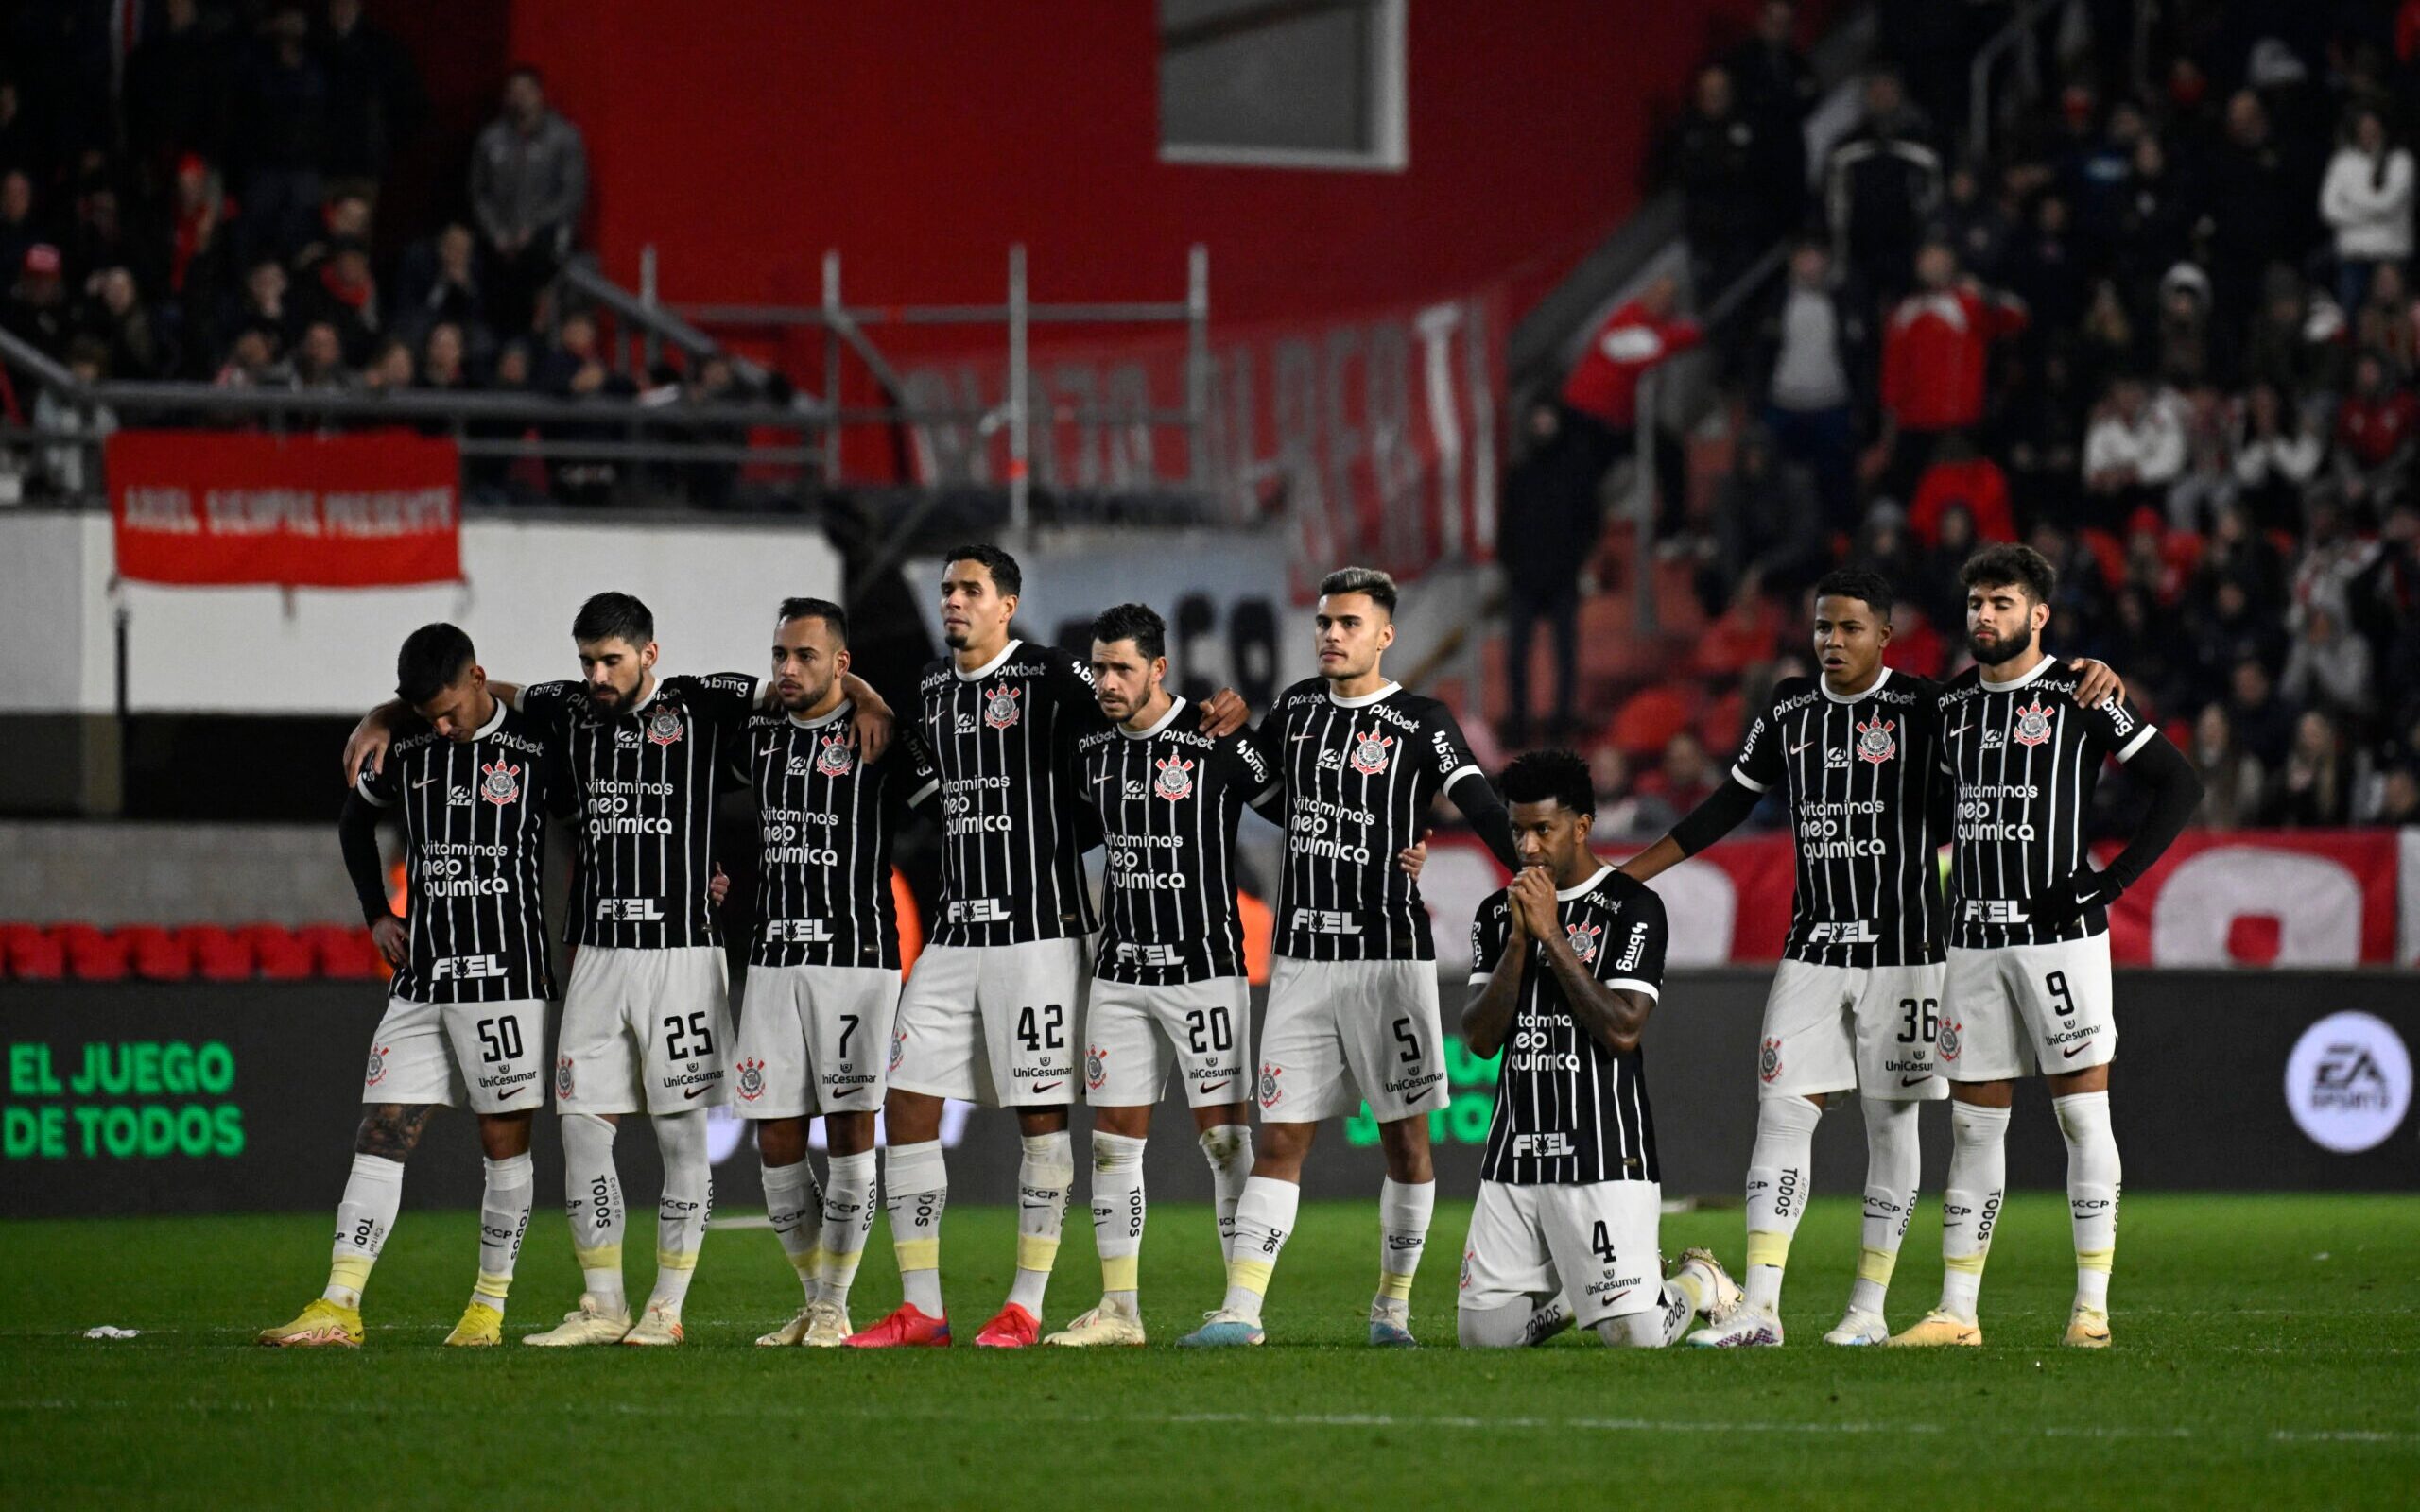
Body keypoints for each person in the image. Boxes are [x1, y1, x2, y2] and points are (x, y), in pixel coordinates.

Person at [341, 594, 887, 1346]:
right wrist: (382, 716)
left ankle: (667, 1308)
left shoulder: (704, 703)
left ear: (649, 655)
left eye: (611, 661)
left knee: (678, 1136)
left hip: (682, 955)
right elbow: (477, 693)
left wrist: (867, 693)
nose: (597, 675)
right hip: (595, 951)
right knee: (583, 1130)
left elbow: (804, 686)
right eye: (587, 662)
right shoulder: (568, 710)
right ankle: (603, 1304)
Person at [1624, 570, 2123, 1347]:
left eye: (1850, 628)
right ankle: (1760, 1309)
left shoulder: (1927, 707)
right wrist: (1624, 878)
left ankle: (1867, 1309)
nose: (1832, 641)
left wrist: (2086, 672)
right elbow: (1728, 804)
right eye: (1823, 626)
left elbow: (2007, 719)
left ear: (1884, 636)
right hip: (1813, 948)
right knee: (1783, 1113)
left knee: (1893, 1127)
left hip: (1909, 954)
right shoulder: (1790, 708)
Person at [851, 547, 1244, 1349]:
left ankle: (1027, 1303)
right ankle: (921, 1307)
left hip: (1041, 933)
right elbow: (921, 772)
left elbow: (1135, 714)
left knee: (1043, 1118)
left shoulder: (1054, 676)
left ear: (1007, 604)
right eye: (947, 589)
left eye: (969, 590)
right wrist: (860, 692)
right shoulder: (929, 685)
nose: (952, 601)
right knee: (906, 1101)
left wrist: (1211, 713)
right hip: (955, 930)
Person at [1051, 604, 1421, 1346]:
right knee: (1113, 1143)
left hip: (1207, 968)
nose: (1107, 682)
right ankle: (1120, 1310)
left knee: (1225, 1141)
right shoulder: (1091, 747)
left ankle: (1237, 1307)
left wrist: (1398, 848)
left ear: (1159, 668)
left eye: (1123, 667)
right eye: (1099, 667)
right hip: (1119, 968)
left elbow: (1306, 811)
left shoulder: (1214, 736)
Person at [1181, 566, 1518, 1349]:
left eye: (1350, 624)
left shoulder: (1421, 721)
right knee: (1282, 1139)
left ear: (1385, 635)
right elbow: (1262, 796)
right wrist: (1230, 735)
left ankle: (1392, 1307)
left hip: (1388, 960)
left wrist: (1540, 881)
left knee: (1406, 1139)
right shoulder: (1296, 708)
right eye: (1325, 622)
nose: (1331, 635)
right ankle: (1241, 1310)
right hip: (1300, 958)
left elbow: (1481, 805)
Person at [1893, 544, 2201, 1349]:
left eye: (2002, 603)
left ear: (2039, 616)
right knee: (1971, 1129)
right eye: (1976, 604)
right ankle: (1957, 1314)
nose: (1984, 617)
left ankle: (2090, 1312)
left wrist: (2111, 884)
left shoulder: (2081, 692)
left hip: (2060, 938)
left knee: (2080, 1117)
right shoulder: (1950, 705)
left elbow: (2180, 784)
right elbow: (1923, 811)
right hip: (1974, 942)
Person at [261, 625, 563, 1348]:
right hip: (423, 973)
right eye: (425, 714)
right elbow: (352, 822)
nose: (443, 725)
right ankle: (339, 1304)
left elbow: (598, 822)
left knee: (503, 1144)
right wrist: (375, 913)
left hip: (507, 975)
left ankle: (487, 1308)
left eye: (450, 709)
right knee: (383, 1130)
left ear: (479, 677)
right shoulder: (409, 749)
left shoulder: (538, 747)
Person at [1456, 748, 1742, 1350]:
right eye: (1517, 830)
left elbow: (1621, 1029)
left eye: (1543, 830)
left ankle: (1695, 1283)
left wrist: (1552, 935)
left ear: (1582, 827)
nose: (1528, 847)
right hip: (1514, 1155)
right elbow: (1481, 1040)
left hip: (1603, 1153)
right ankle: (1573, 1298)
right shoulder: (1495, 913)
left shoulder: (1632, 907)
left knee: (1634, 1339)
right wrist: (1517, 941)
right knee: (1485, 1339)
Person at [734, 599, 937, 1349]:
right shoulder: (755, 730)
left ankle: (834, 1304)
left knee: (851, 1130)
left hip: (855, 961)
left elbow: (943, 811)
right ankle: (815, 1298)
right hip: (771, 962)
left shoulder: (876, 738)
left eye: (806, 657)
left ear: (841, 664)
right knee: (777, 1140)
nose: (788, 669)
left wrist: (874, 702)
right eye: (780, 654)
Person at [1876, 242, 2028, 506]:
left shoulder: (1967, 303)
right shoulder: (1904, 312)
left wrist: (1984, 293)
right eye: (1927, 257)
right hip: (1913, 427)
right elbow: (1892, 378)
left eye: (1940, 258)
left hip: (1958, 426)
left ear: (1952, 264)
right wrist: (1888, 435)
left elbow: (2017, 316)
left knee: (1961, 504)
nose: (1933, 265)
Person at [470, 65, 587, 337]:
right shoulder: (490, 139)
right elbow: (479, 193)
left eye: (525, 91)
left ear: (539, 94)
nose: (518, 98)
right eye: (513, 91)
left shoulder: (564, 138)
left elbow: (571, 195)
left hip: (543, 245)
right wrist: (497, 232)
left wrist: (532, 229)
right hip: (498, 244)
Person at [2319, 104, 2412, 318]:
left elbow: (2389, 204)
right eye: (2363, 129)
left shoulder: (2400, 161)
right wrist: (2375, 210)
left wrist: (2350, 200)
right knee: (2353, 317)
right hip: (2354, 257)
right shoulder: (2342, 162)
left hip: (2391, 255)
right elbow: (2329, 209)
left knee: (2398, 319)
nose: (2368, 134)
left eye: (2373, 129)